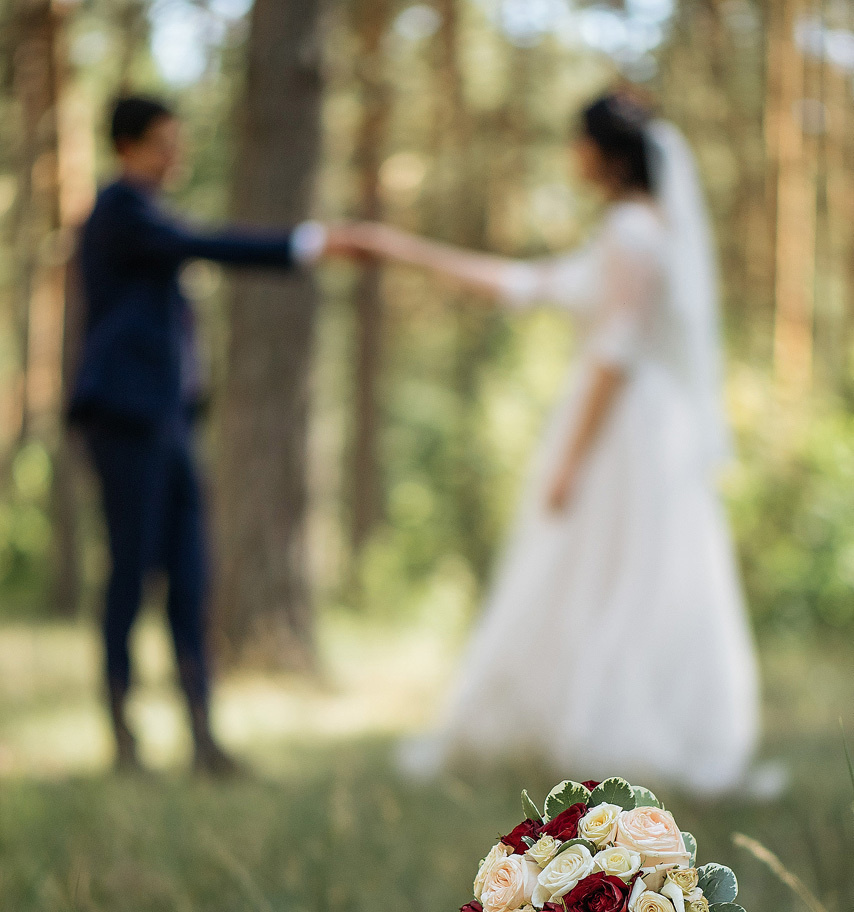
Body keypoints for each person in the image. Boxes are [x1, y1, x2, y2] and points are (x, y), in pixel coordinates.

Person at [339, 94, 760, 795]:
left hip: (625, 429)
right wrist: (400, 250)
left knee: (618, 576)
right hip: (641, 426)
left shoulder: (631, 232)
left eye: (580, 143)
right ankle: (592, 731)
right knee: (617, 576)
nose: (572, 156)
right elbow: (526, 283)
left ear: (610, 155)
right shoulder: (639, 230)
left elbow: (616, 352)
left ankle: (618, 738)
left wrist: (569, 459)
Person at [69, 96, 340, 773]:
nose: (175, 155)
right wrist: (302, 244)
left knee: (190, 574)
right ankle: (123, 737)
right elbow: (203, 243)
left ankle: (202, 735)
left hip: (172, 422)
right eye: (163, 142)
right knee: (130, 573)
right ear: (126, 147)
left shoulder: (148, 217)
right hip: (126, 422)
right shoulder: (120, 214)